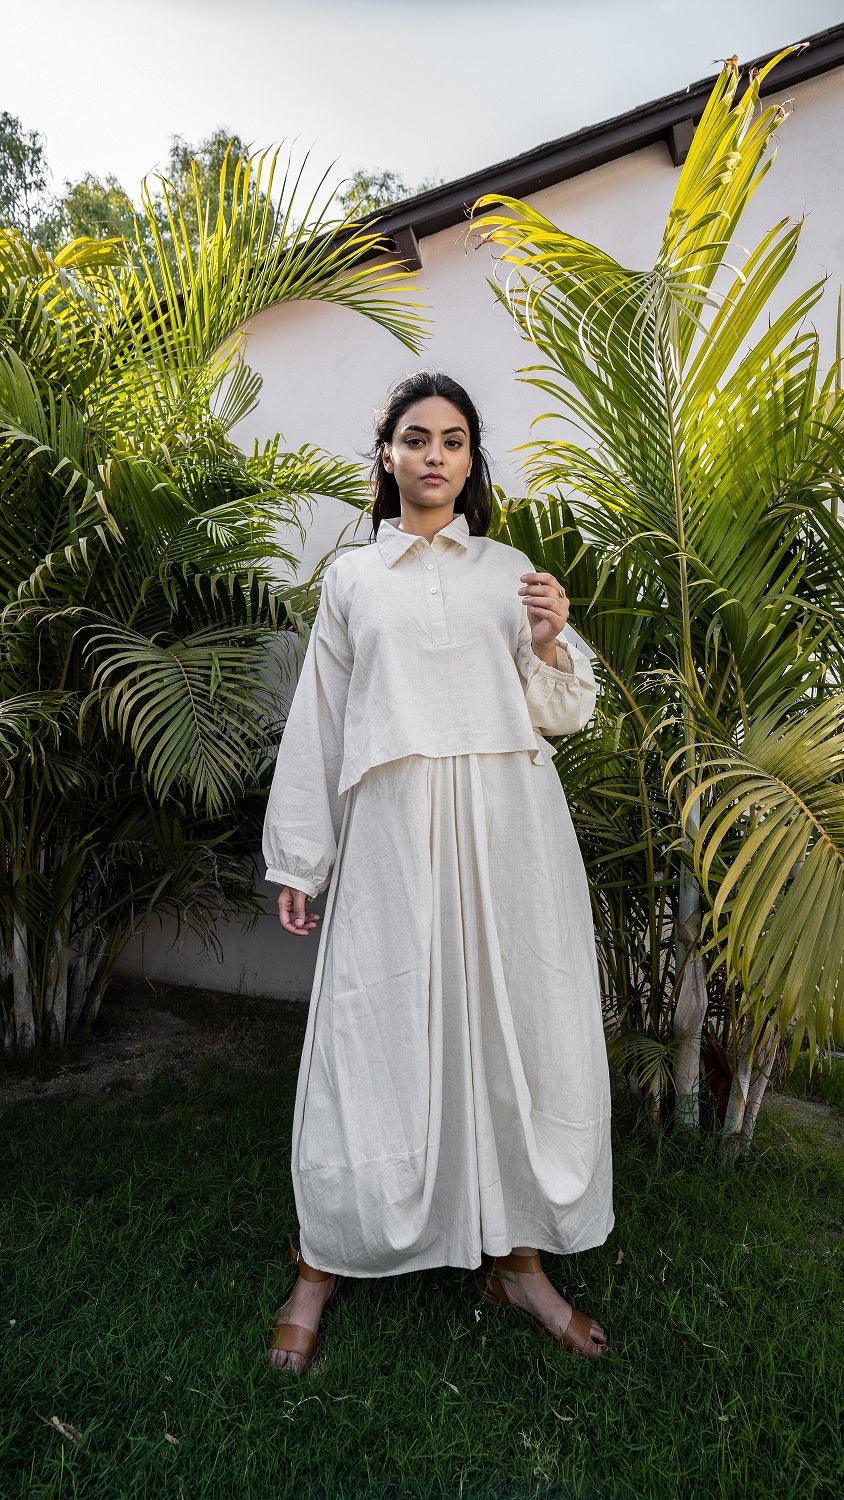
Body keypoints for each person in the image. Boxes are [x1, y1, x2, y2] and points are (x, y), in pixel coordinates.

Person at [262, 370, 613, 1375]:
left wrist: (547, 640)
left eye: (453, 440)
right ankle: (322, 1260)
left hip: (509, 830)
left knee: (514, 1034)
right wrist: (300, 856)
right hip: (393, 833)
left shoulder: (510, 570)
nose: (434, 455)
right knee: (372, 1034)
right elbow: (321, 723)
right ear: (387, 454)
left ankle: (518, 1263)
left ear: (470, 460)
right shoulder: (352, 579)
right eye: (416, 438)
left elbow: (562, 710)